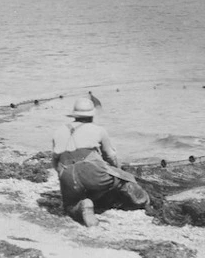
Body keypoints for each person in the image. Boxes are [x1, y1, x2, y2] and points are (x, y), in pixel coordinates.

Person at [51, 97, 150, 227]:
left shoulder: (59, 130)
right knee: (124, 179)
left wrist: (66, 181)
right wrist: (119, 172)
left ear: (74, 115)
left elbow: (54, 162)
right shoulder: (98, 130)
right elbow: (110, 157)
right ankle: (141, 201)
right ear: (92, 116)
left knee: (69, 206)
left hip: (67, 173)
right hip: (93, 172)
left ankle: (82, 205)